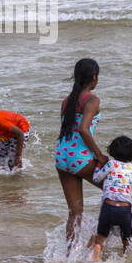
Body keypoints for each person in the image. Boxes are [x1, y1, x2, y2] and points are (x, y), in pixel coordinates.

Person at [54, 58, 104, 245]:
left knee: (75, 213)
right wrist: (99, 155)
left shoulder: (66, 101)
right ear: (94, 78)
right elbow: (83, 129)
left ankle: (70, 255)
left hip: (61, 156)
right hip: (80, 158)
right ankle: (93, 244)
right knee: (115, 193)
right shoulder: (92, 100)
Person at [89, 136, 132, 261]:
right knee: (127, 239)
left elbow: (96, 178)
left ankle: (96, 255)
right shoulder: (131, 168)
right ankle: (127, 260)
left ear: (112, 151)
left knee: (101, 236)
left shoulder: (110, 164)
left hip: (109, 206)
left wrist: (99, 164)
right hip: (125, 208)